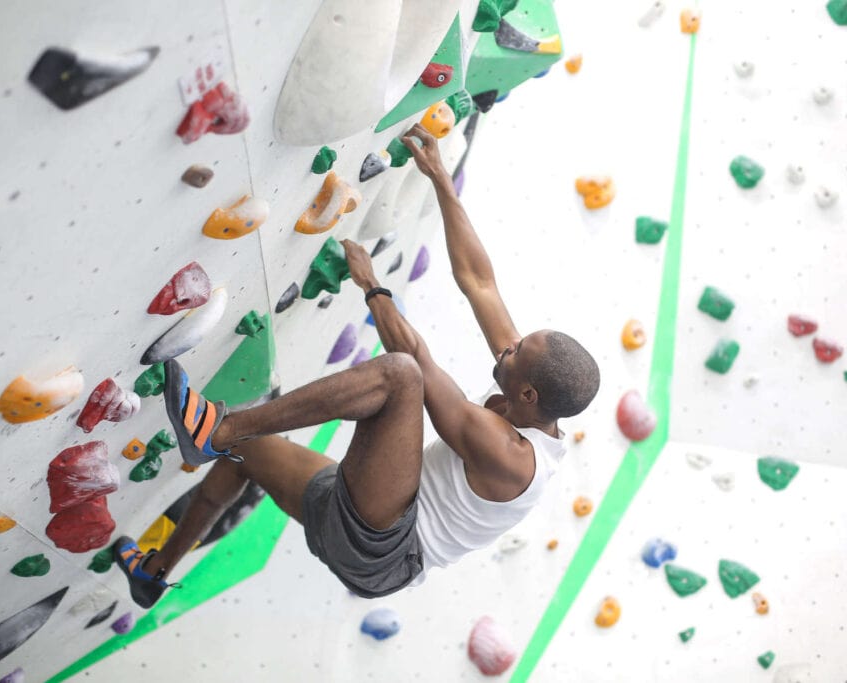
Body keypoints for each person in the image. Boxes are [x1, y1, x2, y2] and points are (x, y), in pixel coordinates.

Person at [114, 123, 600, 607]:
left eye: (517, 352)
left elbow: (417, 364)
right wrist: (440, 180)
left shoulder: (511, 455)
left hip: (386, 552)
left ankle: (216, 431)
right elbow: (480, 282)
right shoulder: (524, 392)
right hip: (360, 517)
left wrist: (370, 284)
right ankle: (155, 573)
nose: (508, 346)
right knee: (251, 454)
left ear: (529, 394)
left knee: (401, 375)